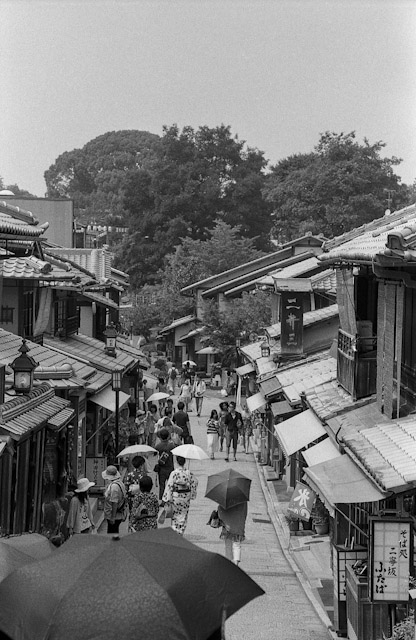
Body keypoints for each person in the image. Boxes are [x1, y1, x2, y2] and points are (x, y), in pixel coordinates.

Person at [162, 455, 198, 535]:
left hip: (176, 496)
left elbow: (169, 485)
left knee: (175, 515)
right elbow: (195, 482)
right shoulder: (188, 472)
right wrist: (192, 493)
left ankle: (175, 531)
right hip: (185, 496)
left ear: (177, 462)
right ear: (184, 462)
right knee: (183, 514)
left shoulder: (174, 473)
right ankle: (181, 532)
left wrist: (166, 498)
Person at [218, 501, 248, 566]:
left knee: (228, 545)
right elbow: (245, 513)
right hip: (238, 524)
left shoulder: (226, 498)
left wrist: (221, 519)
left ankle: (228, 563)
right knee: (237, 544)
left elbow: (220, 511)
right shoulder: (243, 500)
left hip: (227, 523)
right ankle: (236, 564)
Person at [102, 465, 128, 534]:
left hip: (114, 515)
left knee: (112, 532)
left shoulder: (114, 487)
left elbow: (114, 502)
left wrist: (113, 517)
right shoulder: (119, 483)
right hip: (118, 514)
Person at [155, 428, 176, 500]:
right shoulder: (171, 446)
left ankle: (162, 500)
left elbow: (154, 454)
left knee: (162, 486)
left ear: (160, 437)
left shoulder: (158, 446)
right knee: (171, 485)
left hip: (161, 469)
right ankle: (171, 498)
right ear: (168, 436)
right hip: (170, 468)